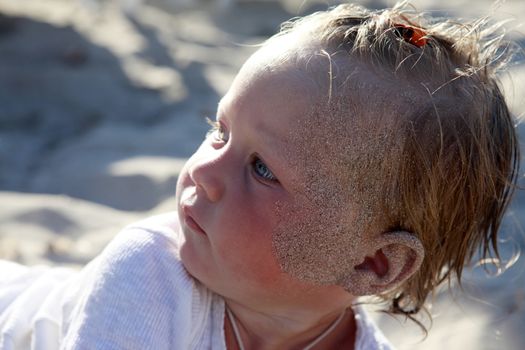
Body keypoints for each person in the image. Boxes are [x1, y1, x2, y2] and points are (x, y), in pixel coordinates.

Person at [0, 2, 520, 349]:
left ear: (375, 262)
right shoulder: (148, 274)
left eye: (263, 169)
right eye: (219, 131)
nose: (203, 171)